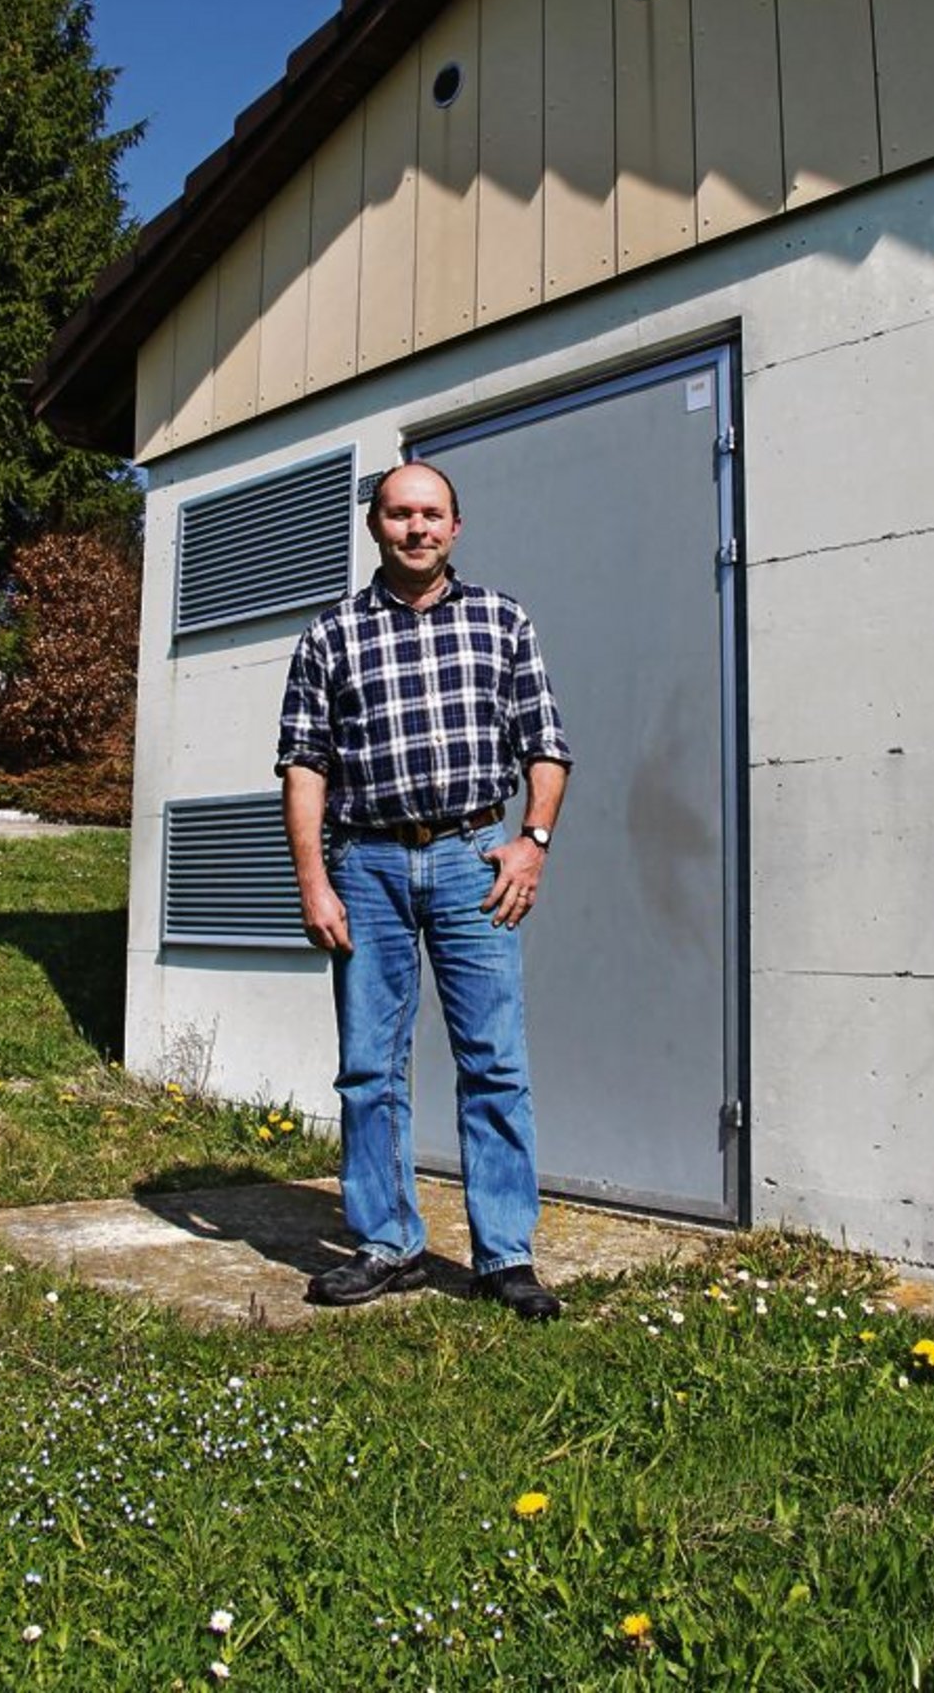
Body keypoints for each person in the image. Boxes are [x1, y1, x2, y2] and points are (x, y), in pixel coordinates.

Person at [277, 459, 572, 1320]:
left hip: (471, 858)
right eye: (400, 513)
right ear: (375, 524)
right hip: (364, 866)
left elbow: (545, 743)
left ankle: (505, 1256)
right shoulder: (330, 635)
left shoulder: (501, 619)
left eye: (432, 514)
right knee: (370, 1068)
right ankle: (388, 1243)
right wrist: (312, 880)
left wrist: (532, 843)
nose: (417, 527)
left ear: (455, 526)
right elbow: (304, 765)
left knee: (494, 1061)